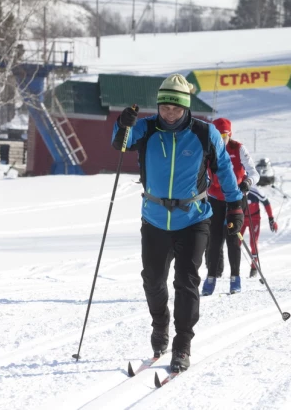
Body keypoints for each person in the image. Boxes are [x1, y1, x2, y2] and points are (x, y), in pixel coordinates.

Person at [111, 73, 244, 373]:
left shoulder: (204, 133)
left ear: (186, 107)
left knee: (186, 280)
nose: (169, 113)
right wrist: (123, 123)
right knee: (153, 280)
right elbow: (120, 145)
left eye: (176, 107)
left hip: (193, 218)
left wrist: (235, 207)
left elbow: (223, 168)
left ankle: (182, 344)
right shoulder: (145, 128)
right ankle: (161, 327)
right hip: (155, 218)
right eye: (164, 107)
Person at [202, 117, 258, 296]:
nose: (222, 138)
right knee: (214, 240)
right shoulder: (208, 149)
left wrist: (247, 182)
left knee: (234, 239)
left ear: (230, 135)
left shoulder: (238, 148)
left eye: (225, 135)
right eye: (218, 135)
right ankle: (211, 278)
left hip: (236, 198)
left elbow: (254, 172)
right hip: (215, 199)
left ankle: (235, 278)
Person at [242, 184, 278, 278]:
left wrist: (271, 219)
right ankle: (235, 270)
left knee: (253, 243)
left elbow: (266, 203)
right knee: (235, 243)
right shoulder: (236, 187)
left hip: (254, 219)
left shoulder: (255, 190)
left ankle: (254, 268)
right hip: (240, 219)